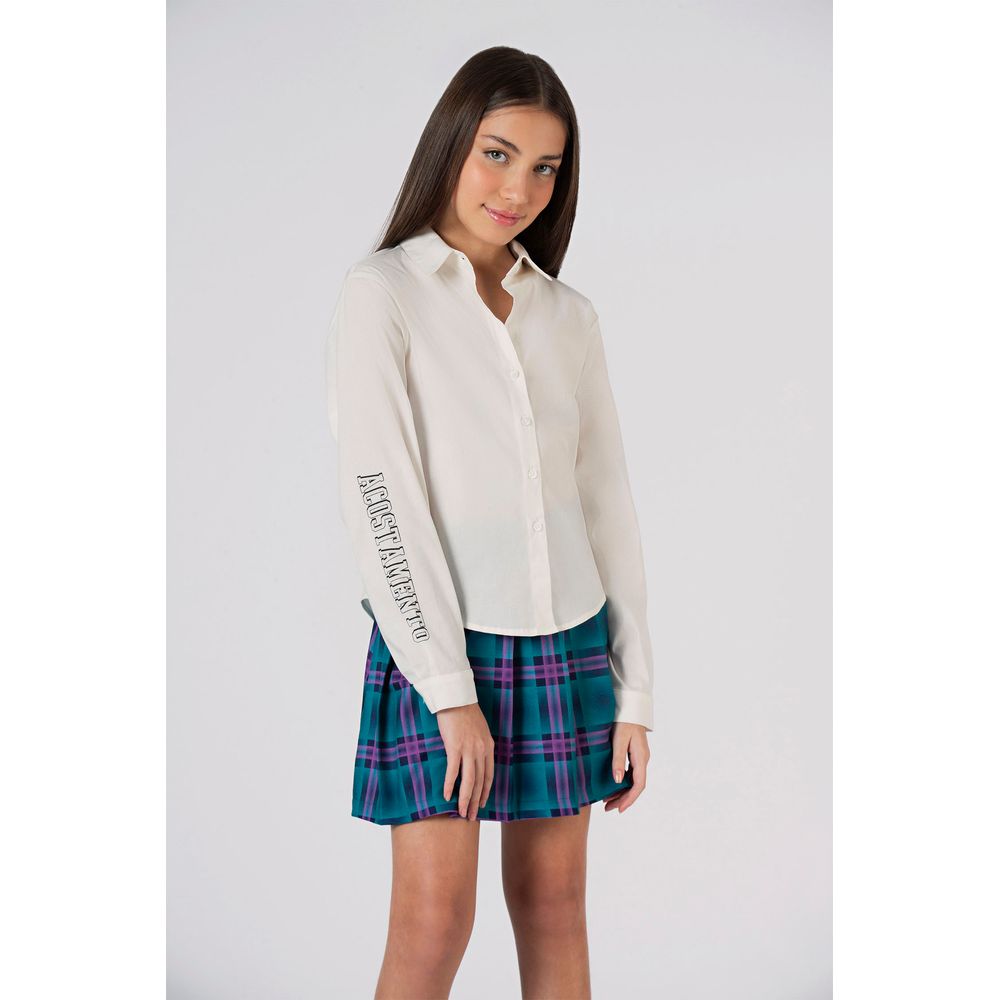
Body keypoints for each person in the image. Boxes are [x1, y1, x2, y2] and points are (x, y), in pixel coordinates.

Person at [325, 45, 655, 1000]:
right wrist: (447, 690)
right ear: (453, 144)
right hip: (439, 641)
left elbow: (605, 503)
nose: (519, 190)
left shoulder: (567, 317)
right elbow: (381, 500)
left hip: (568, 640)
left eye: (546, 167)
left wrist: (635, 691)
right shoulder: (382, 294)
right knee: (435, 923)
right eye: (498, 155)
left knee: (555, 908)